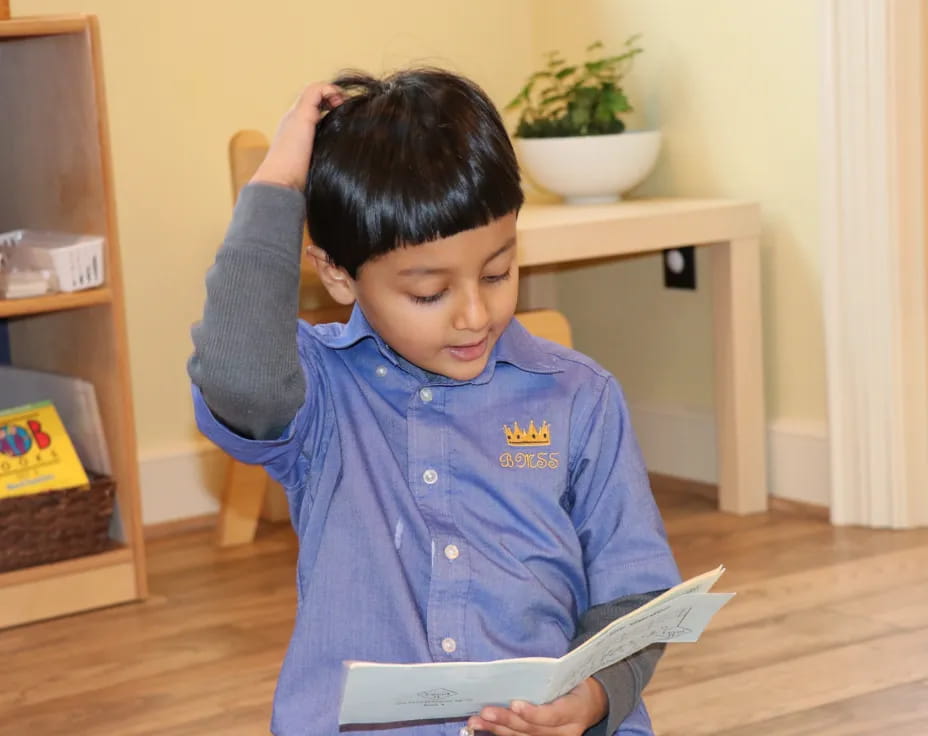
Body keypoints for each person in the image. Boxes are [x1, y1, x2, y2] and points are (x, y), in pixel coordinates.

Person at [188, 68, 681, 736]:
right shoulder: (320, 391)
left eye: (498, 272)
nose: (475, 314)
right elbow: (238, 378)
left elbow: (637, 590)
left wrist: (592, 697)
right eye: (429, 294)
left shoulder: (578, 396)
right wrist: (278, 180)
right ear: (337, 272)